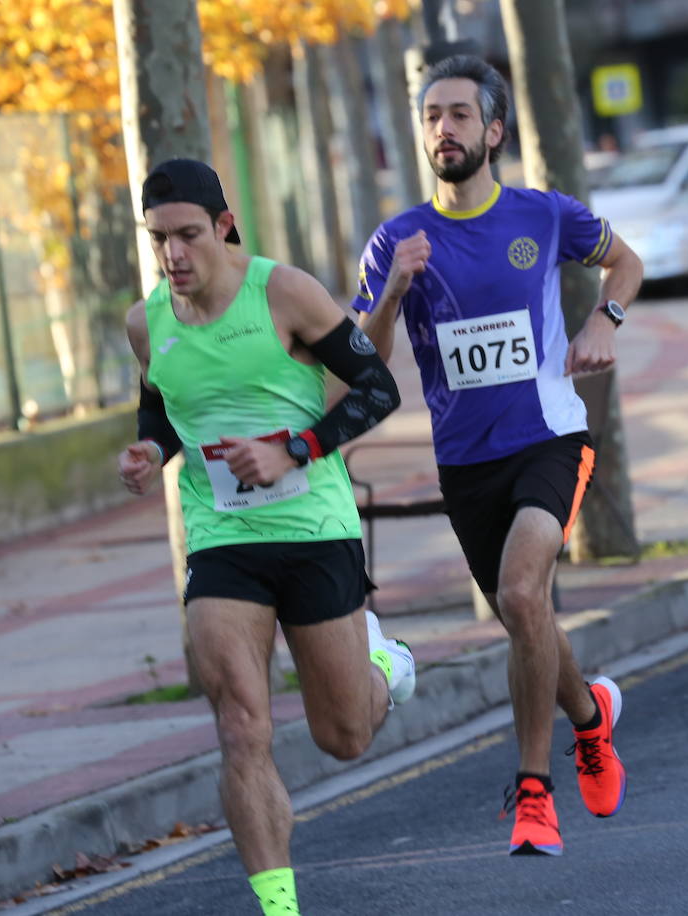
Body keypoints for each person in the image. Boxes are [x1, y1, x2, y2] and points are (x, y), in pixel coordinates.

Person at [352, 55, 644, 857]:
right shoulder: (396, 242)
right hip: (467, 465)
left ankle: (534, 794)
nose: (442, 128)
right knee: (528, 613)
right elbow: (362, 359)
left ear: (494, 130)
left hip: (549, 436)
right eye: (430, 117)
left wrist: (604, 321)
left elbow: (629, 260)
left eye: (457, 114)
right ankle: (591, 720)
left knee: (520, 593)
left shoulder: (545, 216)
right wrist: (392, 295)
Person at [117, 158, 414, 916]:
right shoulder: (145, 323)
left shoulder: (282, 292)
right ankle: (279, 907)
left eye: (188, 235)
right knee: (241, 721)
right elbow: (162, 406)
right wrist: (151, 451)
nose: (174, 255)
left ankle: (385, 663)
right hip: (220, 540)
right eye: (159, 240)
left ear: (223, 226)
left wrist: (296, 450)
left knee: (343, 736)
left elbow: (379, 388)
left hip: (315, 528)